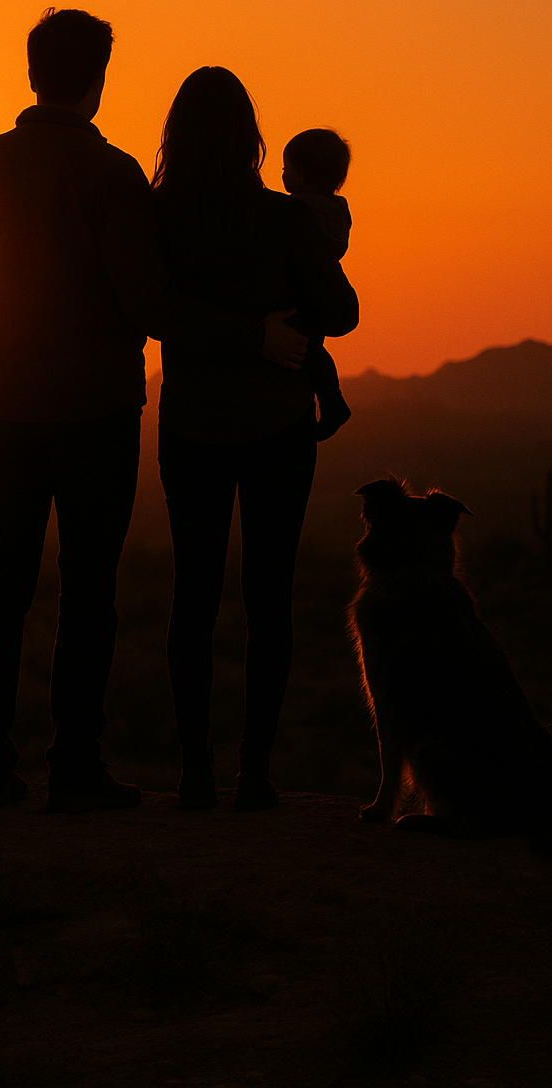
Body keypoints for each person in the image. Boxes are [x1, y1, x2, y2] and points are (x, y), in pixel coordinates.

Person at [0, 10, 306, 814]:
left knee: (3, 583)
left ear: (34, 74)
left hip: (3, 406)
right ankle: (75, 766)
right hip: (96, 410)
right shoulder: (111, 177)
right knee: (87, 588)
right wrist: (254, 335)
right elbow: (150, 300)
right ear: (98, 81)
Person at [152, 69, 359, 811]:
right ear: (251, 135)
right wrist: (272, 325)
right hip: (277, 430)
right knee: (268, 598)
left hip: (191, 425)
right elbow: (341, 314)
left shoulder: (160, 217)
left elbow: (151, 306)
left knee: (193, 597)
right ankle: (256, 772)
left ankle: (194, 771)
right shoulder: (284, 219)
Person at [281, 128, 354, 440]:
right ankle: (332, 400)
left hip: (303, 294)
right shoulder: (338, 210)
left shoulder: (297, 211)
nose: (282, 176)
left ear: (300, 174)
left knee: (306, 351)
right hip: (323, 291)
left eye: (285, 169)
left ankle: (333, 401)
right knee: (315, 349)